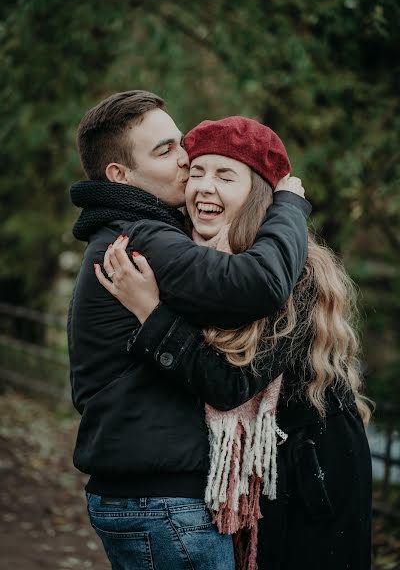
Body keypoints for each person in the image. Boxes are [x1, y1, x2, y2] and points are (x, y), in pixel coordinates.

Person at [96, 116, 373, 570]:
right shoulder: (184, 262)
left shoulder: (295, 273)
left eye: (226, 176)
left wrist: (151, 314)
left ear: (258, 195)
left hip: (310, 471)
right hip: (235, 480)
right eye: (198, 171)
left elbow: (228, 382)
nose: (205, 187)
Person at [68, 91, 311, 570]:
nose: (185, 159)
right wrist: (289, 204)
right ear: (120, 175)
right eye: (164, 152)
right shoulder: (141, 238)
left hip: (150, 497)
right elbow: (260, 284)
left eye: (179, 144)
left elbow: (221, 375)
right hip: (161, 503)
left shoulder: (144, 232)